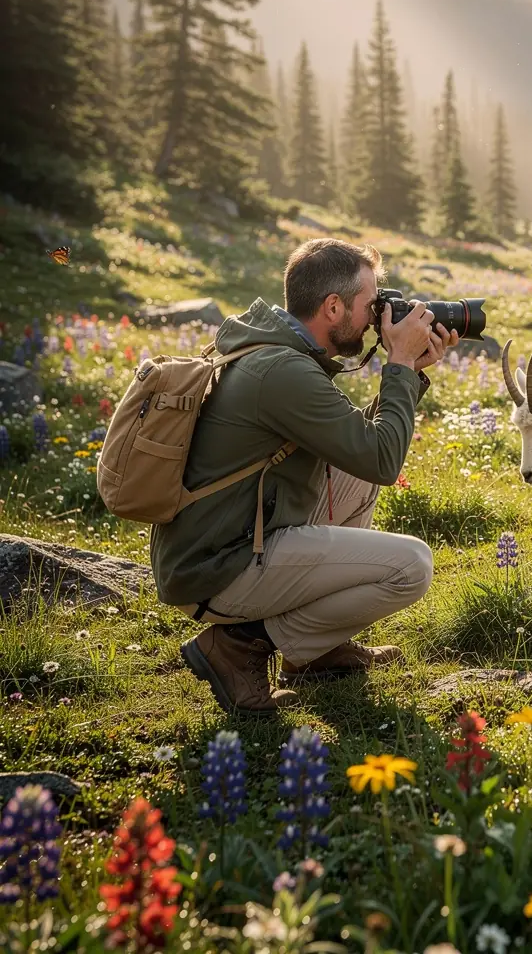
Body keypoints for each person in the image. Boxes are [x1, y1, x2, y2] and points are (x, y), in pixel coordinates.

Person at [151, 238, 458, 713]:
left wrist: (411, 371)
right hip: (218, 567)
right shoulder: (281, 370)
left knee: (355, 476)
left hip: (231, 532)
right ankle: (239, 645)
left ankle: (312, 653)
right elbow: (382, 458)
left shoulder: (276, 347)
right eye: (371, 304)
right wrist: (396, 363)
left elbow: (361, 451)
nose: (379, 315)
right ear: (333, 307)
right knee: (411, 567)